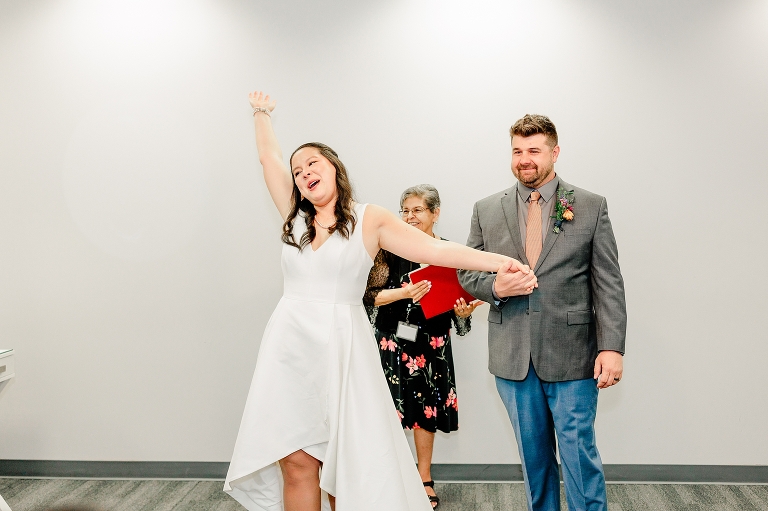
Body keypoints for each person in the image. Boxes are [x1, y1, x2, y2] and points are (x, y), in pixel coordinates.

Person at [223, 91, 536, 511]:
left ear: (334, 167)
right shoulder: (294, 219)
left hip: (342, 348)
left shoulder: (370, 219)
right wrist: (261, 113)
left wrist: (500, 262)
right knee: (296, 462)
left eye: (312, 162)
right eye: (297, 170)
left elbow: (438, 253)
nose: (302, 173)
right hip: (289, 348)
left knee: (341, 466)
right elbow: (269, 160)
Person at [458, 114, 626, 511]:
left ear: (554, 152)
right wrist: (496, 287)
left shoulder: (589, 205)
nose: (524, 159)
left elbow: (608, 282)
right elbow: (467, 272)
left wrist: (612, 348)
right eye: (517, 151)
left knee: (578, 455)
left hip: (574, 355)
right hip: (512, 356)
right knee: (534, 460)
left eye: (534, 150)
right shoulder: (487, 209)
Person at [363, 184, 480, 510]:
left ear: (435, 213)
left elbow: (461, 314)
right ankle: (383, 479)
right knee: (384, 414)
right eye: (405, 210)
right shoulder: (388, 251)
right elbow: (368, 297)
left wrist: (462, 313)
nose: (409, 216)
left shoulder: (448, 252)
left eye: (417, 210)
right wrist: (402, 293)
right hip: (391, 344)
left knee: (425, 414)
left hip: (432, 346)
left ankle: (423, 478)